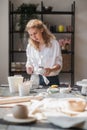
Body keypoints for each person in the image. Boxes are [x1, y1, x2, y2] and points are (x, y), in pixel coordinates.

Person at [25, 19, 62, 86]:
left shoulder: (54, 44)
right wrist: (29, 67)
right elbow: (29, 61)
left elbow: (59, 63)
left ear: (41, 29)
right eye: (31, 35)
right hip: (35, 80)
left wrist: (51, 69)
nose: (33, 37)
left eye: (35, 33)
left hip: (51, 80)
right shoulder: (30, 46)